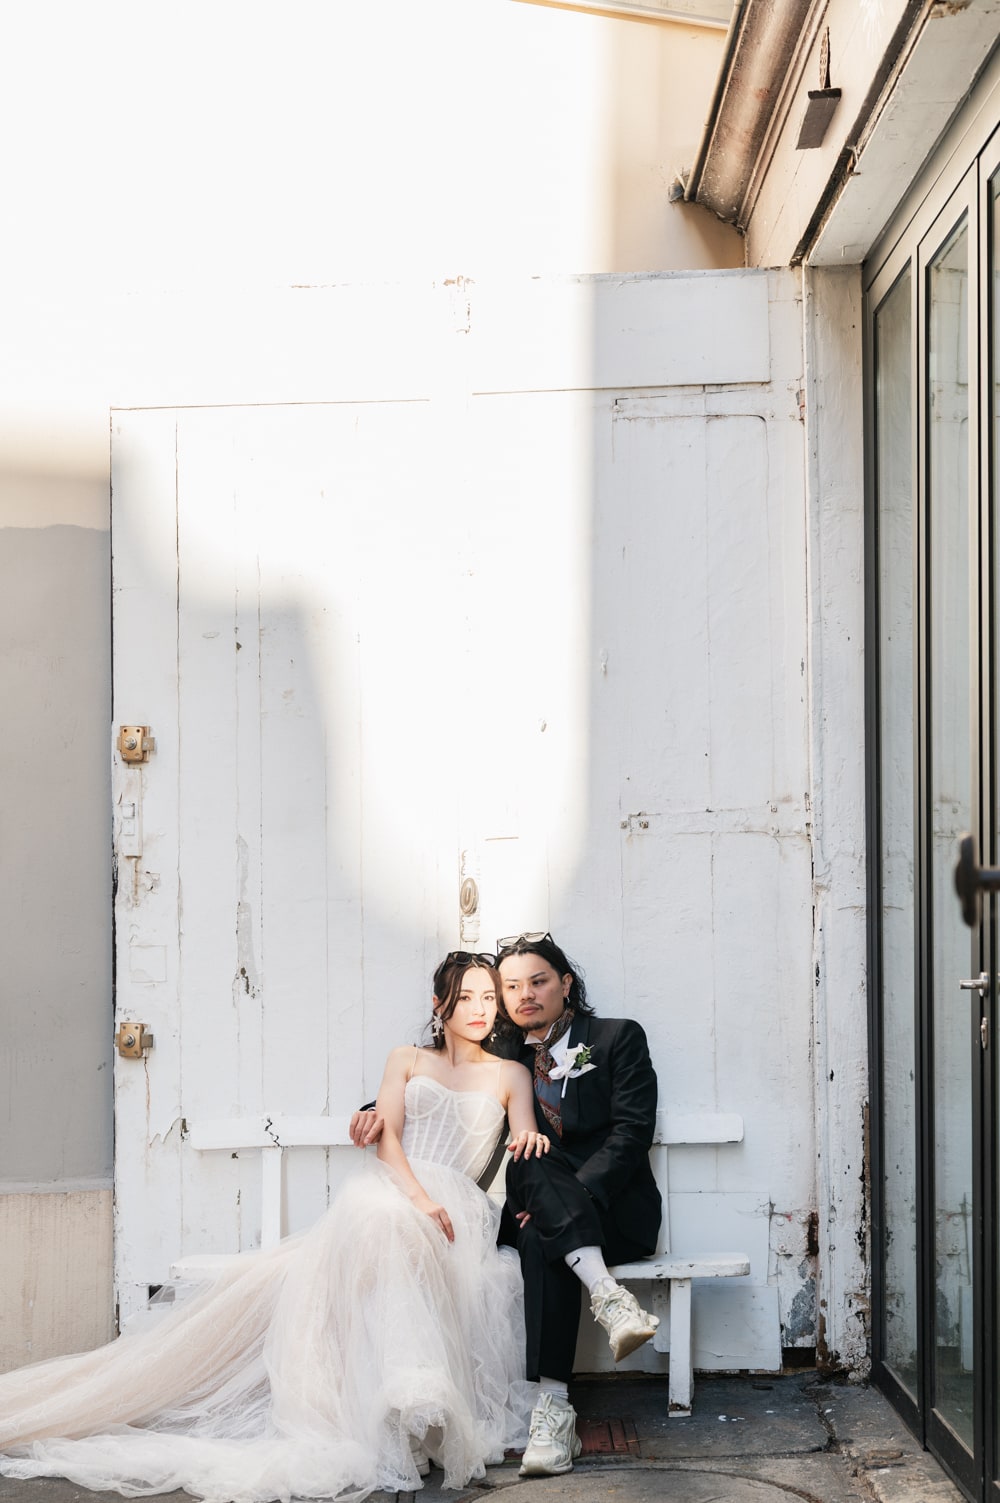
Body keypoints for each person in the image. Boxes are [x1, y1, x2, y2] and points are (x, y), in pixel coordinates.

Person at [0, 953, 547, 1503]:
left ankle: (413, 1407)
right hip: (398, 1191)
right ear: (439, 1005)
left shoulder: (510, 1073)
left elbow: (524, 1132)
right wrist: (421, 1201)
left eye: (488, 998)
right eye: (466, 997)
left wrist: (532, 1142)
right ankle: (406, 1392)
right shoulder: (406, 1060)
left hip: (458, 1213)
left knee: (359, 1248)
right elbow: (388, 1141)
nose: (480, 1009)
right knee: (382, 1222)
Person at [351, 932, 662, 1480]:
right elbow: (442, 1087)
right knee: (532, 1171)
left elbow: (632, 1134)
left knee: (543, 1210)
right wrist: (373, 1110)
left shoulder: (616, 1038)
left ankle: (555, 1403)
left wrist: (570, 1199)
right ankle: (561, 1393)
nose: (524, 995)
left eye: (538, 982)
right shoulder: (507, 1056)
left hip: (612, 1212)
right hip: (539, 1211)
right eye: (511, 986)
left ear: (565, 984)